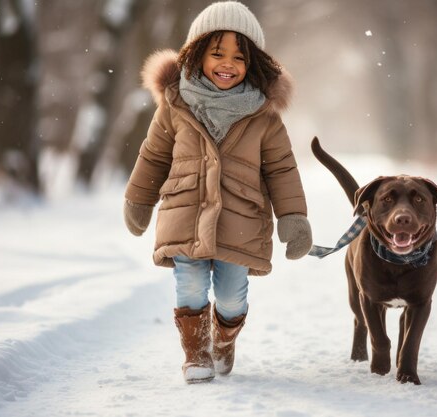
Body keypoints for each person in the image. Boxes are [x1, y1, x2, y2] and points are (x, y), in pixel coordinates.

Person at [122, 1, 312, 384]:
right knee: (189, 282)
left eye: (239, 57)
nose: (228, 63)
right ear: (196, 53)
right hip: (186, 213)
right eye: (217, 53)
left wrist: (293, 218)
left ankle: (223, 341)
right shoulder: (175, 104)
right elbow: (154, 155)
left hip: (240, 222)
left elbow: (281, 168)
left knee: (230, 295)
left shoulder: (263, 115)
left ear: (253, 63)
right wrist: (138, 199)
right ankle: (196, 353)